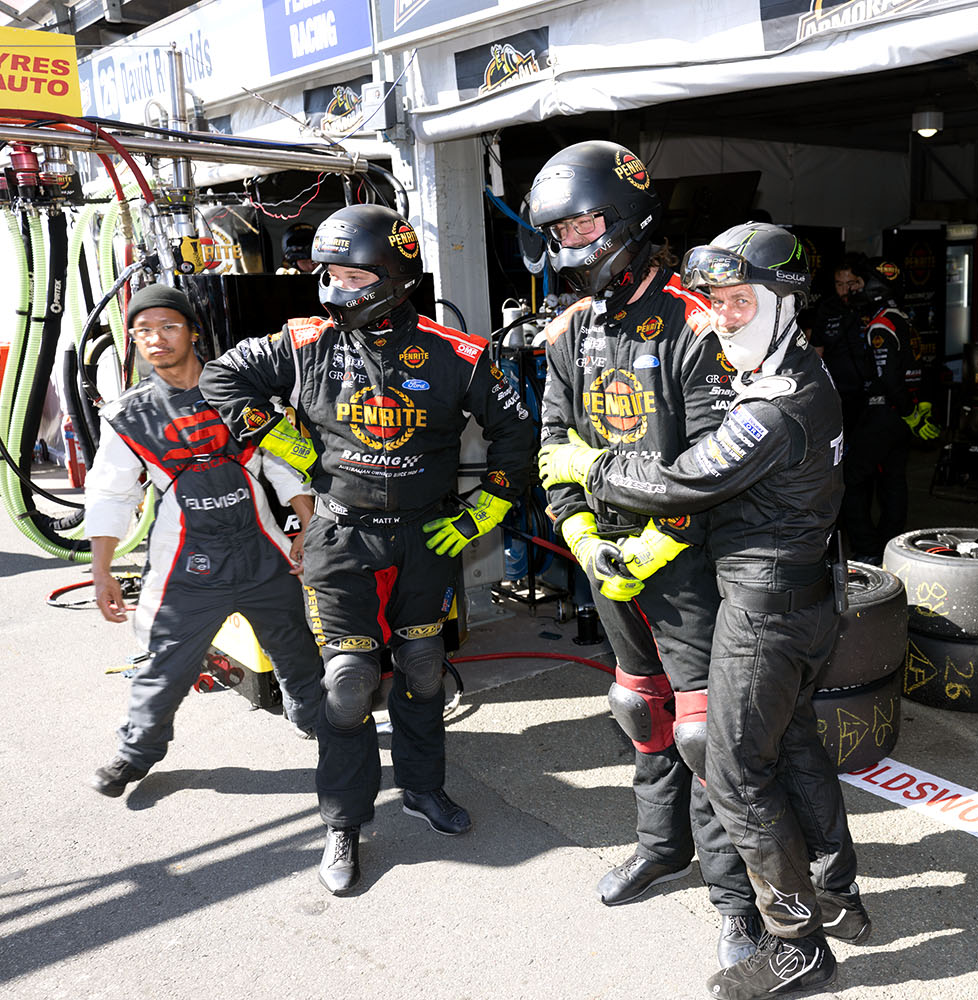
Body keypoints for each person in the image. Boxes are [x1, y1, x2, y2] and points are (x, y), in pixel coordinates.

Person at [540, 222, 868, 1000]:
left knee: (734, 773)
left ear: (784, 302)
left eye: (740, 301)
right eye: (716, 301)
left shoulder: (775, 404)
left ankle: (796, 946)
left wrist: (591, 464)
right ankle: (838, 893)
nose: (723, 316)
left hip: (763, 608)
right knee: (793, 743)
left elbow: (680, 481)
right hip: (803, 595)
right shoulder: (791, 368)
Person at [199, 204, 532, 895]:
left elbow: (517, 432)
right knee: (348, 685)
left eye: (353, 276)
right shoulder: (304, 342)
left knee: (424, 667)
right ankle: (344, 822)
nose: (336, 288)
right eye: (330, 273)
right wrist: (279, 439)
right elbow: (220, 378)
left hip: (427, 535)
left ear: (394, 276)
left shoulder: (456, 354)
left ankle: (423, 788)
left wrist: (486, 510)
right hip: (339, 533)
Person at [522, 139, 761, 968]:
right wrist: (582, 537)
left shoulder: (699, 323)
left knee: (705, 735)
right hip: (609, 561)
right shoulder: (573, 330)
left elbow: (716, 465)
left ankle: (738, 904)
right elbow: (553, 446)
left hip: (692, 565)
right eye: (559, 231)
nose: (570, 243)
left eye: (583, 224)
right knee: (639, 707)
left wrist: (658, 544)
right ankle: (662, 847)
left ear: (626, 218)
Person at [86, 284, 324, 797]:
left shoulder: (241, 391)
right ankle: (136, 753)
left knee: (296, 649)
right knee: (165, 663)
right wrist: (101, 570)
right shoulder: (128, 415)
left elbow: (283, 463)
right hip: (188, 565)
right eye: (143, 331)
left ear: (193, 331)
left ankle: (316, 722)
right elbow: (110, 494)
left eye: (168, 326)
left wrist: (307, 526)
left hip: (263, 554)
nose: (156, 339)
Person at [817, 257, 937, 561]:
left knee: (850, 478)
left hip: (884, 412)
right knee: (894, 480)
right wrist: (916, 407)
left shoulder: (881, 324)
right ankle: (890, 547)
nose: (854, 290)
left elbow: (890, 379)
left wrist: (909, 411)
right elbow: (917, 368)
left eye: (859, 283)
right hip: (896, 414)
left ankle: (868, 549)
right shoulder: (904, 319)